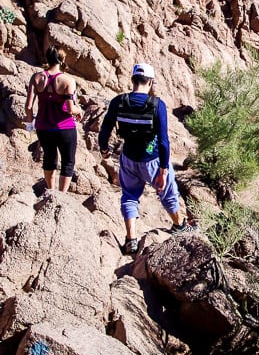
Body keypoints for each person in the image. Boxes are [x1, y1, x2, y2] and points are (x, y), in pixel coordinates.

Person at [98, 63, 196, 254]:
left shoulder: (118, 101)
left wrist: (104, 149)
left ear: (133, 80)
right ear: (150, 82)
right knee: (167, 192)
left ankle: (131, 239)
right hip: (151, 159)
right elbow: (164, 141)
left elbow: (105, 129)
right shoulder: (156, 104)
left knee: (129, 195)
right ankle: (178, 225)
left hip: (128, 158)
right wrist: (163, 170)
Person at [25, 46, 83, 192]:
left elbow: (28, 106)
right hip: (65, 127)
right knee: (68, 161)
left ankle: (50, 191)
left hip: (43, 127)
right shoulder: (68, 80)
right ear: (62, 60)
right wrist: (79, 110)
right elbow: (70, 108)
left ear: (48, 58)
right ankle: (61, 196)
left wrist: (30, 122)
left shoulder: (36, 78)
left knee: (49, 159)